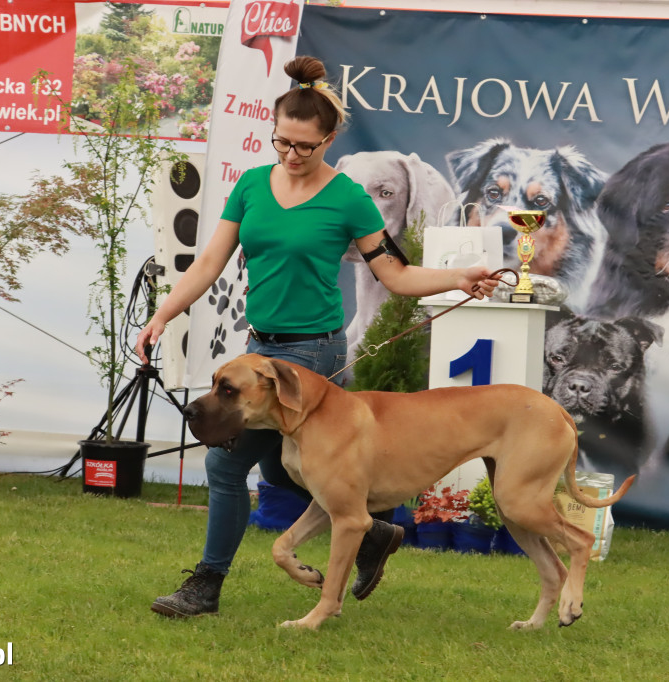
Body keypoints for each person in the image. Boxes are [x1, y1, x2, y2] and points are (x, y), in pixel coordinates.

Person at [136, 55, 501, 618]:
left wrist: (460, 277)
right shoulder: (253, 185)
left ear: (329, 139)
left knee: (227, 466)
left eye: (304, 146)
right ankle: (371, 530)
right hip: (259, 347)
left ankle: (206, 586)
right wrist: (163, 315)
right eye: (282, 142)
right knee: (286, 469)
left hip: (314, 355)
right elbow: (210, 261)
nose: (291, 155)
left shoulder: (349, 198)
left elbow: (395, 275)